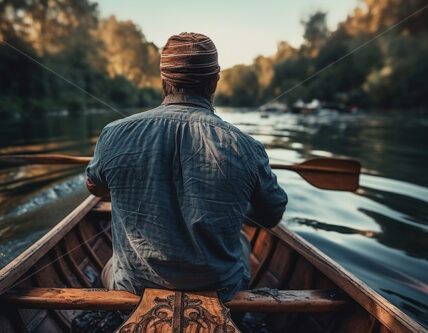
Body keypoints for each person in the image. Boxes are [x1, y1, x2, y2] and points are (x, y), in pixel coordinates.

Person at [86, 32, 287, 302]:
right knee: (241, 241)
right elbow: (272, 214)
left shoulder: (113, 134)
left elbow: (96, 188)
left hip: (133, 286)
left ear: (163, 81)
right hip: (221, 288)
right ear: (215, 81)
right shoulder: (247, 147)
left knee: (111, 265)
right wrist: (233, 210)